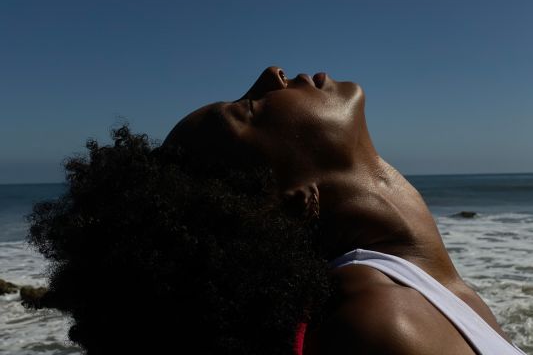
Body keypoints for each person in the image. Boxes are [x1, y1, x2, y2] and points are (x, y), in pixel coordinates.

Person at [29, 67, 525, 355]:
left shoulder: (413, 289)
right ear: (295, 198)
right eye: (250, 110)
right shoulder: (381, 321)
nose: (271, 75)